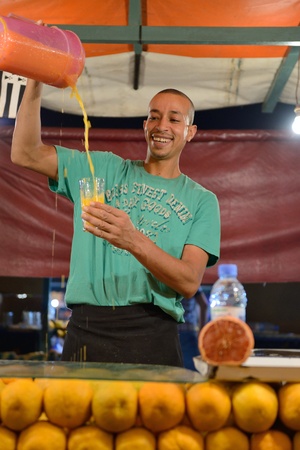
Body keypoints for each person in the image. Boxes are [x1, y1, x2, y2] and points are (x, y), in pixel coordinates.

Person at [11, 79, 220, 367]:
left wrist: (131, 238)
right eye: (154, 116)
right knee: (74, 413)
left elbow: (188, 282)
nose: (162, 125)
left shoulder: (202, 200)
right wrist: (35, 81)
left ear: (190, 132)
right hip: (87, 328)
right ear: (144, 125)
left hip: (154, 333)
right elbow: (25, 152)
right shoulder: (102, 169)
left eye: (175, 119)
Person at [179, 287, 209, 371]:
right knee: (193, 371)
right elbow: (204, 304)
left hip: (171, 331)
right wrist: (202, 331)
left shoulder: (164, 278)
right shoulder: (189, 279)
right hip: (188, 329)